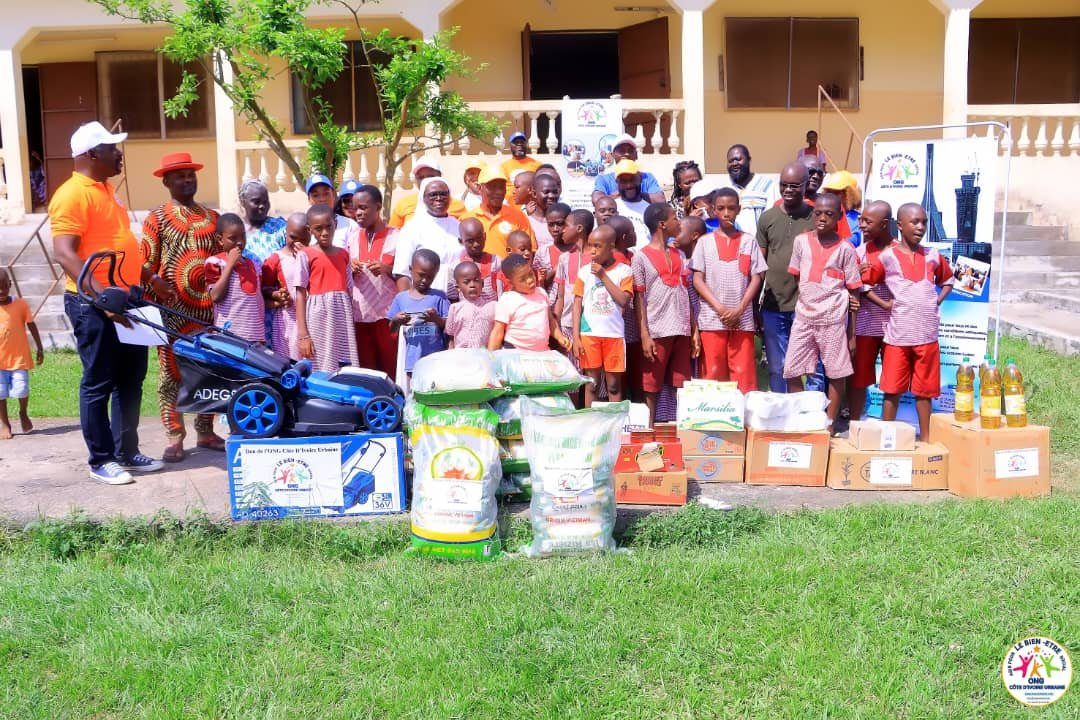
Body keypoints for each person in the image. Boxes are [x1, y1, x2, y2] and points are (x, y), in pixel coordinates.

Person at [50, 121, 170, 484]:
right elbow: (65, 254)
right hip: (94, 305)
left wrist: (147, 279)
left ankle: (126, 451)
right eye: (112, 148)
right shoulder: (72, 194)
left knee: (131, 379)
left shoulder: (106, 190)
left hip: (128, 300)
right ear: (91, 155)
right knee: (99, 382)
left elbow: (118, 242)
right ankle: (101, 459)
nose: (119, 154)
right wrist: (103, 297)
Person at [141, 151, 222, 462]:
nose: (188, 179)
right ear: (166, 181)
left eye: (191, 174)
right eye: (180, 175)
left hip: (207, 311)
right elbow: (144, 264)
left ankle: (206, 431)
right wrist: (154, 282)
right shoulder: (156, 219)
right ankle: (175, 434)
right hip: (172, 313)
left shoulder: (212, 218)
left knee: (209, 370)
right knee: (171, 373)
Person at [864, 203, 954, 440]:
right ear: (900, 225)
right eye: (914, 222)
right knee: (892, 389)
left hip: (927, 336)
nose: (920, 227)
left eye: (923, 222)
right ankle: (886, 439)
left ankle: (925, 438)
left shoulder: (933, 255)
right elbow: (864, 284)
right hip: (898, 337)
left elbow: (949, 281)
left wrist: (937, 301)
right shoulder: (887, 258)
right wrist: (884, 304)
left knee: (924, 392)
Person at [782, 194, 862, 429]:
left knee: (837, 372)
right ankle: (801, 418)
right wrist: (809, 300)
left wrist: (852, 333)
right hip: (804, 317)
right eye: (818, 213)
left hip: (833, 320)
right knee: (792, 369)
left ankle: (828, 422)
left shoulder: (846, 249)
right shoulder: (801, 242)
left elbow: (854, 290)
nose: (822, 218)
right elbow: (798, 277)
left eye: (829, 214)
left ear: (839, 216)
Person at [692, 187, 767, 393]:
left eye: (731, 208)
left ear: (739, 209)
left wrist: (740, 309)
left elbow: (756, 277)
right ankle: (715, 418)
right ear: (713, 210)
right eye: (721, 208)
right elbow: (697, 279)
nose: (726, 213)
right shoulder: (704, 243)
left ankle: (741, 419)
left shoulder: (749, 241)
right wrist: (720, 308)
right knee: (713, 372)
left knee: (743, 372)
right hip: (712, 318)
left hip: (742, 319)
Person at [757, 162, 818, 393]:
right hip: (774, 304)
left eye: (794, 185)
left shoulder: (816, 217)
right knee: (777, 365)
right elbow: (759, 264)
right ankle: (781, 418)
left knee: (810, 366)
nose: (788, 190)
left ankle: (809, 416)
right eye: (784, 185)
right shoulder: (767, 218)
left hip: (808, 305)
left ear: (805, 186)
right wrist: (755, 305)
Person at [634, 203, 697, 426]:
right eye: (674, 219)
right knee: (651, 384)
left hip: (681, 327)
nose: (678, 222)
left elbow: (685, 293)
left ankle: (681, 430)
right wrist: (644, 335)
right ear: (662, 224)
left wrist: (694, 330)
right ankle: (649, 429)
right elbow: (639, 298)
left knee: (681, 383)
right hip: (657, 328)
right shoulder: (640, 257)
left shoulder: (679, 254)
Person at [573, 225, 634, 406]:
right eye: (590, 245)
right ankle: (590, 424)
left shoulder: (624, 271)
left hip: (613, 336)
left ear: (611, 246)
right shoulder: (584, 272)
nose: (592, 250)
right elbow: (577, 306)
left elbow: (624, 300)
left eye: (598, 246)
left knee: (614, 386)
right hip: (589, 335)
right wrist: (576, 338)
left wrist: (603, 276)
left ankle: (615, 425)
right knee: (591, 384)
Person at [848, 201, 895, 422]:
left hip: (895, 328)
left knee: (892, 378)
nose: (861, 225)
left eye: (868, 221)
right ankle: (854, 422)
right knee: (859, 378)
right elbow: (857, 287)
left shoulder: (899, 252)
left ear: (884, 224)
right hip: (866, 326)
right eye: (860, 220)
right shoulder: (859, 253)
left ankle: (888, 427)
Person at [348, 184, 398, 376]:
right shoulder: (352, 238)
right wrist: (349, 268)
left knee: (390, 367)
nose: (358, 213)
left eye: (363, 207)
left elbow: (406, 274)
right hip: (360, 314)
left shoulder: (396, 236)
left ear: (378, 207)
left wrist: (387, 269)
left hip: (387, 315)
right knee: (367, 370)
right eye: (355, 208)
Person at [304, 204, 359, 373]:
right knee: (321, 358)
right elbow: (300, 294)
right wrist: (303, 335)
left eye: (329, 226)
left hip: (342, 315)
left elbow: (349, 290)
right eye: (318, 229)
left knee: (344, 361)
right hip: (318, 316)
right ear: (310, 230)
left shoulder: (343, 254)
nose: (325, 232)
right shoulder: (306, 254)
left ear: (335, 223)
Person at [392, 178, 462, 295]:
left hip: (459, 297)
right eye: (433, 195)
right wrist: (409, 304)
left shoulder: (459, 226)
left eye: (443, 194)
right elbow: (402, 272)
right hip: (425, 297)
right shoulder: (412, 228)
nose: (439, 198)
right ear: (423, 198)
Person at [204, 213, 266, 343]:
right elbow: (215, 296)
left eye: (243, 236)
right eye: (233, 238)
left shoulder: (254, 264)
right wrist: (230, 264)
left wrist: (274, 295)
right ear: (220, 240)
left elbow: (256, 296)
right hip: (228, 337)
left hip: (255, 336)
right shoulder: (216, 262)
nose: (239, 242)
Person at [488, 253, 567, 353]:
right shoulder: (507, 300)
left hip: (542, 352)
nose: (530, 280)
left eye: (530, 274)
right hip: (515, 352)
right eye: (522, 279)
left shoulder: (542, 293)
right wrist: (490, 358)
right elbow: (497, 332)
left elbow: (551, 320)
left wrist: (560, 337)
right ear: (511, 282)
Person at [388, 249, 450, 374]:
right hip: (413, 360)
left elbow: (449, 326)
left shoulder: (439, 296)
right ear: (411, 270)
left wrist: (436, 319)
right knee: (416, 391)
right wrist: (396, 320)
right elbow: (391, 329)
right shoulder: (401, 298)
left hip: (436, 360)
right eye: (421, 275)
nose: (424, 280)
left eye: (430, 277)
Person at [262, 213, 313, 361]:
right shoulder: (276, 259)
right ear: (285, 233)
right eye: (293, 237)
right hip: (288, 321)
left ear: (310, 236)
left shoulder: (316, 255)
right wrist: (276, 294)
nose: (297, 243)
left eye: (303, 239)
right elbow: (264, 288)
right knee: (290, 361)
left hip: (313, 316)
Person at [0, 268, 44, 439]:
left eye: (4, 286)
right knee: (0, 393)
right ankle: (4, 423)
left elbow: (31, 325)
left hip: (18, 358)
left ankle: (23, 412)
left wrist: (39, 347)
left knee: (22, 389)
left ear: (10, 285)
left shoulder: (20, 304)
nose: (1, 291)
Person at [462, 166, 534, 258]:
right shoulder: (466, 220)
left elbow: (530, 252)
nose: (499, 192)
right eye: (492, 187)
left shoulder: (519, 217)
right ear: (480, 188)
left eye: (501, 187)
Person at [553, 209, 594, 362]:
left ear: (579, 229)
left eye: (566, 225)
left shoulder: (597, 258)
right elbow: (560, 296)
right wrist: (557, 327)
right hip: (568, 324)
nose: (562, 230)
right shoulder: (564, 258)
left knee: (593, 372)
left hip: (593, 324)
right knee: (572, 370)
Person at [388, 157, 467, 229]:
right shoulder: (404, 204)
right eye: (421, 177)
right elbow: (393, 235)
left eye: (430, 176)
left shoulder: (457, 205)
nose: (425, 181)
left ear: (440, 176)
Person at [591, 133, 665, 205]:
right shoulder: (604, 179)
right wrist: (625, 193)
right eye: (621, 151)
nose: (626, 154)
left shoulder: (648, 177)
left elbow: (660, 200)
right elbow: (596, 200)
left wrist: (635, 194)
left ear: (636, 155)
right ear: (613, 155)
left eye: (630, 151)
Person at [727, 144, 778, 236]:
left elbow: (772, 220)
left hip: (758, 246)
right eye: (730, 161)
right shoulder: (725, 188)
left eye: (738, 159)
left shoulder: (767, 186)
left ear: (749, 160)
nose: (734, 163)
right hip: (732, 245)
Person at [445, 261, 496, 350]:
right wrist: (451, 356)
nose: (472, 285)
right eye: (466, 282)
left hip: (484, 357)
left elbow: (497, 334)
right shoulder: (454, 308)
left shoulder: (493, 306)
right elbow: (450, 336)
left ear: (482, 283)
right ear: (458, 287)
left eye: (476, 280)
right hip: (461, 357)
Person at [448, 218, 500, 304]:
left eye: (479, 238)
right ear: (461, 241)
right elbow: (452, 298)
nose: (476, 244)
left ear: (485, 236)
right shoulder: (455, 267)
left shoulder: (496, 261)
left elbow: (502, 290)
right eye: (470, 241)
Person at [238, 179, 286, 263]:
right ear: (243, 202)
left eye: (265, 201)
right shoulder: (235, 231)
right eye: (256, 202)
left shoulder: (280, 227)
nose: (262, 206)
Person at [822, 170, 863, 246]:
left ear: (850, 194)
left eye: (837, 192)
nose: (832, 196)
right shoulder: (821, 216)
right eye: (829, 192)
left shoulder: (859, 219)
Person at [527, 172, 561, 252]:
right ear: (534, 194)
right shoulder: (526, 221)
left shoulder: (565, 220)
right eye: (546, 192)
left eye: (555, 192)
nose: (552, 196)